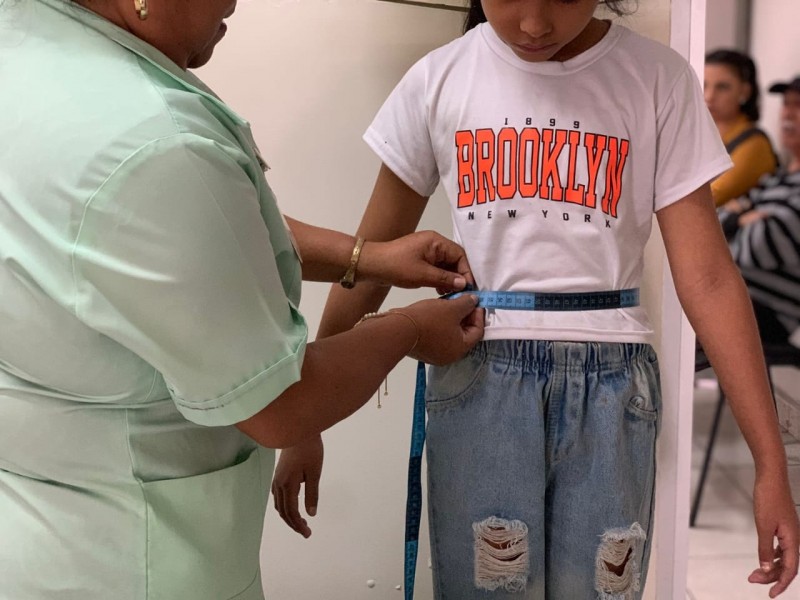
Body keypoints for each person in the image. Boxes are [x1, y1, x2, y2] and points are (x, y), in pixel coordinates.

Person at [273, 1, 800, 598]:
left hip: (611, 395)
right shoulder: (439, 79)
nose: (533, 24)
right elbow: (367, 262)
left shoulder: (658, 79)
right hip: (480, 381)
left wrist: (770, 465)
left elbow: (709, 279)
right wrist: (305, 414)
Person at [0, 0, 486, 598]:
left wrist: (367, 257)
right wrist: (408, 329)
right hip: (131, 564)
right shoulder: (151, 147)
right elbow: (279, 405)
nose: (235, 2)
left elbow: (200, 234)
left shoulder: (24, 39)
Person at [718, 75, 800, 347]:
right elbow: (716, 221)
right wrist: (742, 220)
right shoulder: (776, 178)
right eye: (787, 104)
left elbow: (757, 246)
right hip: (737, 298)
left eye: (799, 105)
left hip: (768, 314)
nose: (788, 114)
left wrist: (738, 218)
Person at [704, 49, 778, 208]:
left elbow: (710, 197)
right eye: (704, 85)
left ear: (744, 91)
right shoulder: (701, 138)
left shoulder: (755, 143)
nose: (709, 96)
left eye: (722, 87)